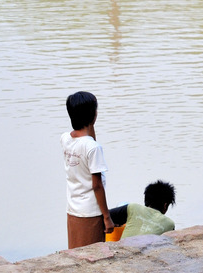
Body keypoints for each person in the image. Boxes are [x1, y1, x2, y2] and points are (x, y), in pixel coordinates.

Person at [62, 91, 114, 249]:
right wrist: (106, 217)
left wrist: (90, 126)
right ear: (93, 115)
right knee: (93, 253)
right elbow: (97, 185)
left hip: (73, 208)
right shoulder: (93, 148)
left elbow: (88, 141)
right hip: (91, 212)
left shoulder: (65, 138)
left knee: (75, 251)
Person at [108, 180, 176, 240]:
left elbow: (105, 216)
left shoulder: (133, 208)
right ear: (165, 205)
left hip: (121, 251)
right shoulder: (170, 224)